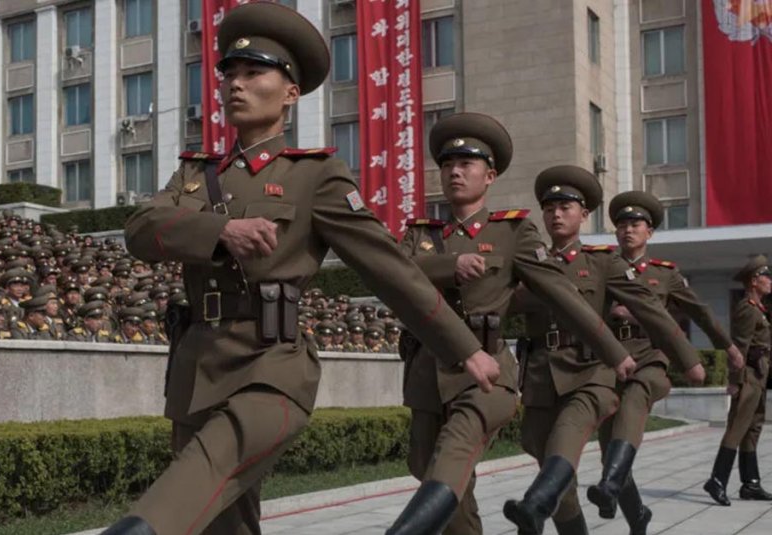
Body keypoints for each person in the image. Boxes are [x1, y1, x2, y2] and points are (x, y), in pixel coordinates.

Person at [106, 4, 499, 534]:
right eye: (229, 74)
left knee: (188, 487)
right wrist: (220, 232)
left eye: (254, 73)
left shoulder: (316, 175)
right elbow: (141, 230)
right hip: (195, 369)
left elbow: (390, 269)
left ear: (290, 93)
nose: (234, 85)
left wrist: (465, 349)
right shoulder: (195, 173)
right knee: (226, 524)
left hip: (270, 368)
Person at [395, 114, 636, 535]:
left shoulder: (513, 231)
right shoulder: (420, 234)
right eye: (448, 163)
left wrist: (613, 352)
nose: (455, 171)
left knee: (451, 456)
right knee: (428, 468)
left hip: (486, 374)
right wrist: (452, 265)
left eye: (466, 164)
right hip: (425, 373)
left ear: (489, 176)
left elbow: (560, 293)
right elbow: (397, 273)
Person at [505, 166, 704, 534]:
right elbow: (500, 302)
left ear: (584, 214)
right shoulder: (529, 262)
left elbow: (648, 306)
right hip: (540, 375)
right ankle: (553, 514)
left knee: (564, 443)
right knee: (547, 459)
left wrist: (687, 359)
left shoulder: (601, 261)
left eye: (566, 206)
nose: (556, 214)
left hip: (588, 372)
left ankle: (534, 506)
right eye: (549, 208)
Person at [586, 191, 746, 530]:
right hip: (608, 361)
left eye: (635, 225)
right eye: (621, 225)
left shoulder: (666, 274)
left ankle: (610, 486)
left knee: (632, 407)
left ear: (650, 233)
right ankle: (637, 514)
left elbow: (699, 313)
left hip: (648, 358)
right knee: (610, 451)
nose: (627, 231)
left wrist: (728, 346)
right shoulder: (599, 267)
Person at [703, 255, 772, 505]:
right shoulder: (747, 308)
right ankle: (717, 480)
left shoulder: (759, 309)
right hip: (748, 377)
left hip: (759, 375)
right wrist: (735, 381)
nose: (770, 281)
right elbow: (738, 348)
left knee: (752, 429)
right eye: (766, 276)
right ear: (754, 281)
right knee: (736, 429)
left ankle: (750, 484)